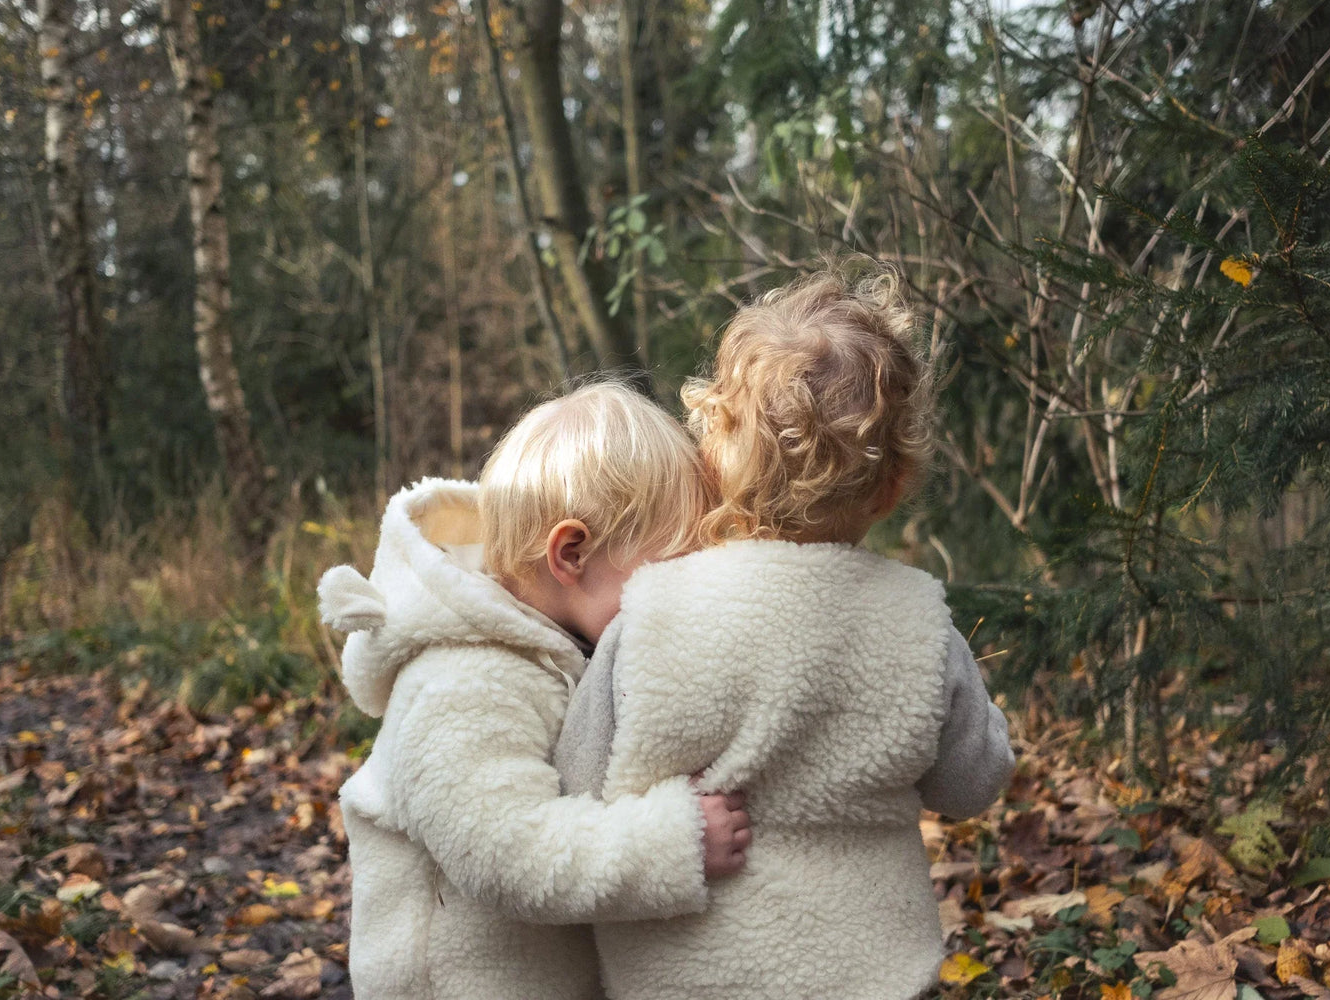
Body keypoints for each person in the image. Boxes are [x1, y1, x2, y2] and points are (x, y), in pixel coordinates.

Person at [556, 265, 1016, 1000]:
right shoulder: (918, 619)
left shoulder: (650, 611)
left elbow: (577, 782)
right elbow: (972, 784)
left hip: (682, 974)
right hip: (868, 974)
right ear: (894, 485)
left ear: (711, 459)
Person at [319, 383, 751, 1000]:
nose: (683, 592)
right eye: (674, 565)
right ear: (571, 552)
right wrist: (672, 842)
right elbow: (504, 852)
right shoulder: (460, 681)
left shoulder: (554, 646)